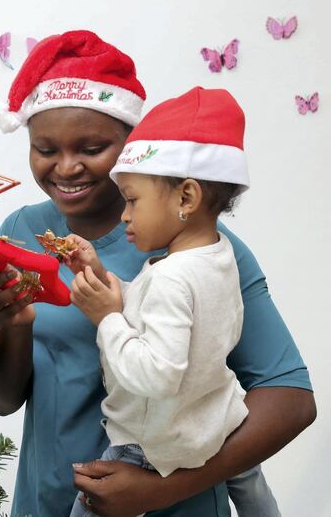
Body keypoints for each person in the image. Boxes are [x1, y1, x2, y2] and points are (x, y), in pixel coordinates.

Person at [0, 30, 315, 516]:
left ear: (132, 143)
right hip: (50, 500)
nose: (67, 167)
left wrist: (162, 490)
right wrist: (14, 324)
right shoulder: (22, 231)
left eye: (92, 147)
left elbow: (290, 398)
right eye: (46, 149)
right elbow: (3, 400)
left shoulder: (207, 251)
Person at [63, 87, 280, 517]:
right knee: (253, 490)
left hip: (154, 439)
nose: (124, 215)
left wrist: (106, 319)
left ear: (186, 198)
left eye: (132, 200)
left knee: (89, 504)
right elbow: (166, 312)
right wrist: (102, 274)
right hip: (218, 423)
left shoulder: (170, 277)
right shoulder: (218, 257)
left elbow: (157, 376)